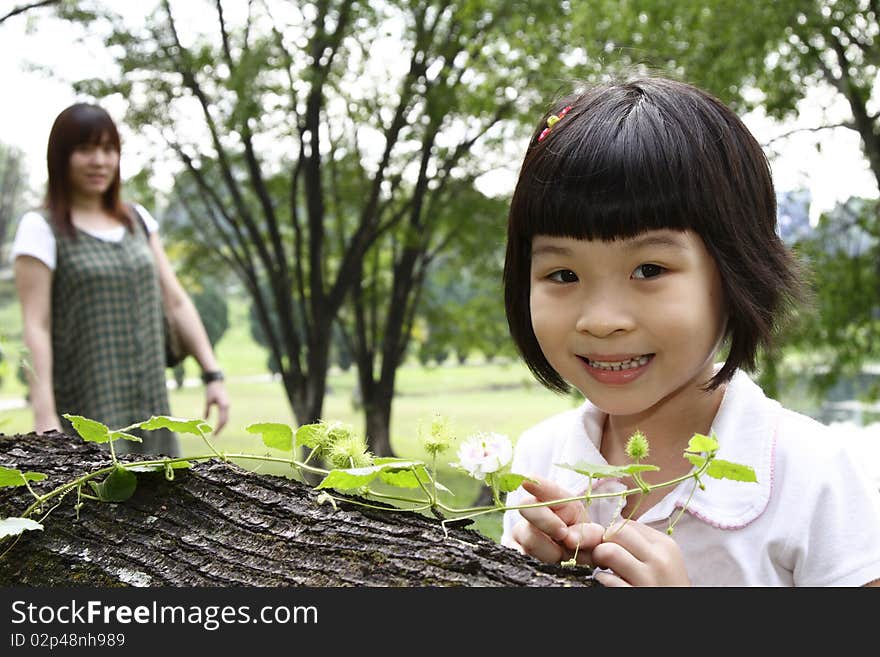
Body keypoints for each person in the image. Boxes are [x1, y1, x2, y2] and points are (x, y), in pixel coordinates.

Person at [499, 76, 880, 586]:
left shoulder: (814, 476)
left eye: (649, 270)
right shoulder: (540, 462)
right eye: (563, 275)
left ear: (735, 268)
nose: (602, 319)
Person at [10, 102, 230, 456]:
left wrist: (212, 374)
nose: (99, 161)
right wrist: (44, 415)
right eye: (85, 149)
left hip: (149, 406)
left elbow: (175, 302)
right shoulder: (40, 229)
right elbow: (37, 327)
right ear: (61, 157)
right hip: (85, 408)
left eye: (108, 149)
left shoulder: (137, 221)